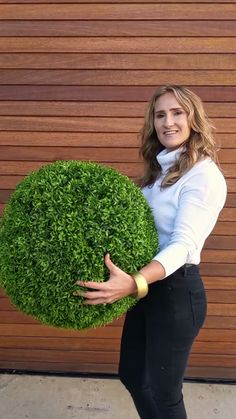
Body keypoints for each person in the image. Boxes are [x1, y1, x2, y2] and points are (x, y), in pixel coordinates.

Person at [74, 85, 227, 419]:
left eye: (177, 113)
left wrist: (135, 283)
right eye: (160, 115)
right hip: (146, 291)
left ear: (194, 119)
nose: (167, 122)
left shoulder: (203, 175)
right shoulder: (157, 174)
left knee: (164, 393)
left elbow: (183, 245)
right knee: (132, 376)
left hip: (175, 293)